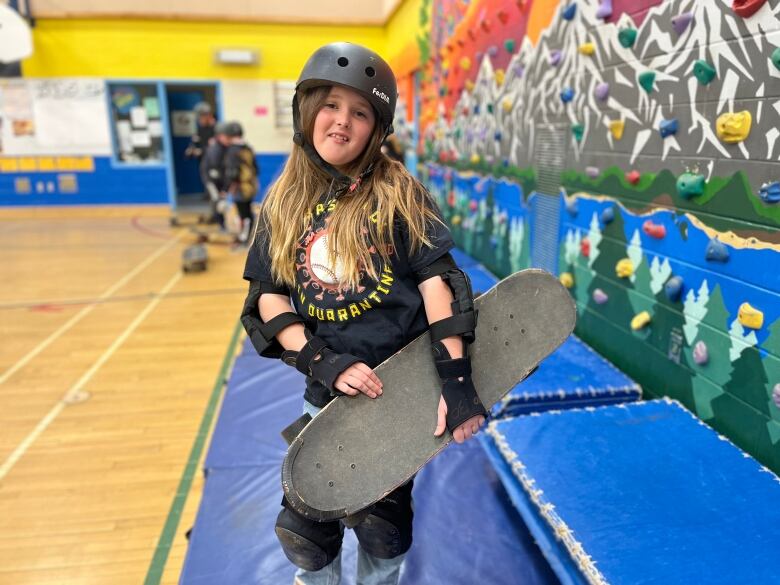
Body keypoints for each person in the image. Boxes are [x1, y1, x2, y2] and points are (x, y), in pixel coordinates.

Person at [240, 42, 486, 585]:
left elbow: (438, 286)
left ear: (376, 128)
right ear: (308, 112)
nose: (341, 121)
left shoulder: (401, 194)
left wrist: (458, 381)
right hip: (322, 393)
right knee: (305, 536)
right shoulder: (283, 202)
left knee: (383, 528)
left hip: (395, 394)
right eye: (330, 105)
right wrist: (321, 360)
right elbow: (269, 297)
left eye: (359, 112)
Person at [222, 121, 259, 246]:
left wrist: (227, 188)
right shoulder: (248, 148)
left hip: (239, 188)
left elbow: (232, 172)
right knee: (248, 211)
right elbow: (256, 168)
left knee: (242, 214)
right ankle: (249, 236)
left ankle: (245, 239)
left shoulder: (232, 151)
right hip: (250, 186)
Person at [200, 121, 231, 228]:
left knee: (220, 201)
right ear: (220, 136)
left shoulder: (225, 147)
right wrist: (222, 189)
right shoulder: (215, 149)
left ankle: (220, 222)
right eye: (227, 136)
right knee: (218, 202)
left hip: (218, 179)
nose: (229, 139)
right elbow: (215, 169)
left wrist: (225, 188)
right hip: (211, 179)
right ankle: (221, 224)